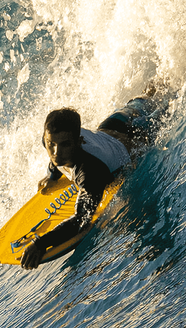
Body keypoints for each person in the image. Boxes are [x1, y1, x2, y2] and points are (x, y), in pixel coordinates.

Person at [19, 101, 154, 269]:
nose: (56, 153)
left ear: (79, 141)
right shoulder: (52, 140)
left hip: (136, 133)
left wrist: (40, 244)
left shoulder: (90, 172)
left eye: (65, 145)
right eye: (51, 145)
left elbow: (82, 219)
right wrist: (52, 176)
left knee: (161, 100)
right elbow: (56, 157)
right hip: (110, 124)